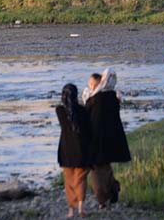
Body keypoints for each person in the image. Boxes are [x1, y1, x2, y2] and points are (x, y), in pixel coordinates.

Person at [85, 69, 130, 208]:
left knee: (96, 169)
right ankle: (112, 190)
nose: (91, 86)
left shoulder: (93, 99)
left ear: (99, 83)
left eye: (92, 84)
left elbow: (87, 117)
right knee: (105, 166)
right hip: (111, 140)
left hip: (97, 140)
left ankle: (103, 200)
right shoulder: (113, 96)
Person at [56, 83, 94, 218]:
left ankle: (71, 210)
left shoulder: (59, 111)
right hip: (82, 150)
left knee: (69, 180)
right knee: (80, 179)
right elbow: (89, 130)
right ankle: (81, 208)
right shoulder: (83, 111)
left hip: (66, 150)